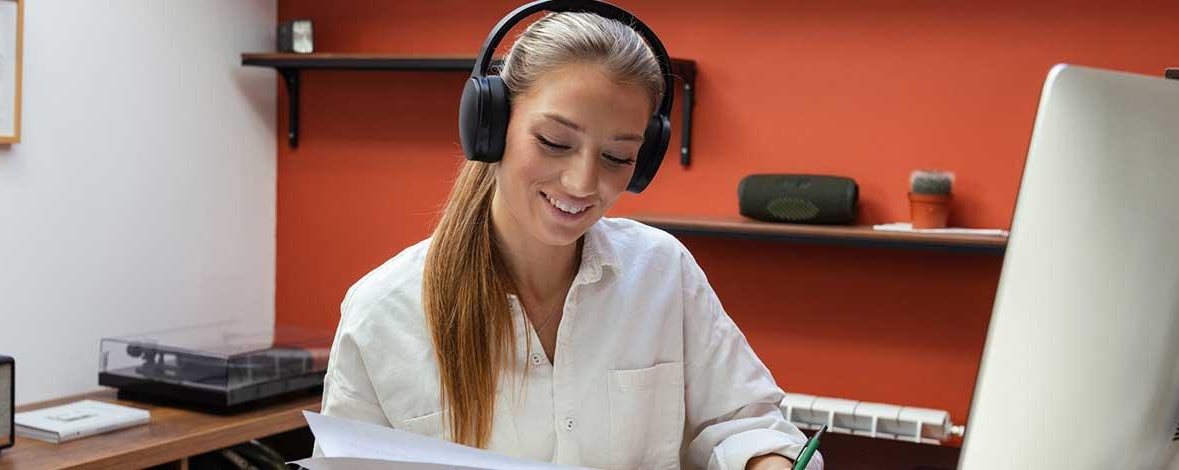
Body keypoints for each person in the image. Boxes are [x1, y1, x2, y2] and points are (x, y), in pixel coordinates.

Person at [320, 5, 822, 470]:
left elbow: (744, 423)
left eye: (617, 157)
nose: (583, 184)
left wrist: (767, 460)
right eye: (555, 142)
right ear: (490, 126)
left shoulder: (663, 273)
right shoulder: (382, 312)